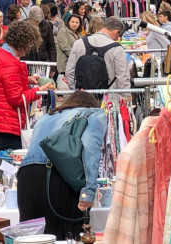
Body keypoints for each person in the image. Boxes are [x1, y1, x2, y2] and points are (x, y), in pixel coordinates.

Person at [18, 91, 106, 239]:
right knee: (67, 236)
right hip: (59, 176)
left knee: (31, 238)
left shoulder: (47, 117)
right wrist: (88, 191)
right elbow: (90, 148)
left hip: (27, 175)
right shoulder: (94, 114)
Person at [0, 21, 53, 155]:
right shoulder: (10, 63)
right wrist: (38, 91)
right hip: (5, 126)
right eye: (30, 45)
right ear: (23, 43)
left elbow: (2, 82)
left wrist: (26, 79)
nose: (30, 49)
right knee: (14, 167)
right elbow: (16, 99)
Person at [65, 16, 128, 90]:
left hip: (82, 96)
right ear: (116, 32)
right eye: (119, 36)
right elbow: (123, 77)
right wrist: (124, 96)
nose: (118, 39)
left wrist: (76, 90)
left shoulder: (79, 43)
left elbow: (69, 71)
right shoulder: (117, 49)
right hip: (109, 97)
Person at [56, 15, 82, 89]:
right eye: (72, 22)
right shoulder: (63, 31)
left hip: (77, 64)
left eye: (77, 22)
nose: (74, 24)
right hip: (65, 63)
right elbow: (65, 47)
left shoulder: (79, 33)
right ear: (68, 22)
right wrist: (75, 57)